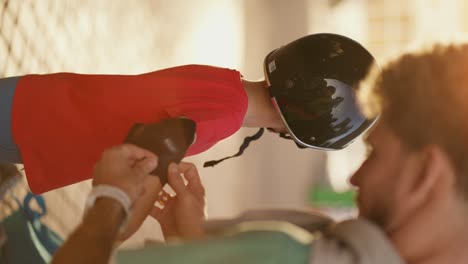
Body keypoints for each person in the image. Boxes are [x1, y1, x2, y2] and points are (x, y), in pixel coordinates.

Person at [54, 42, 468, 264]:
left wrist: (108, 205)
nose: (356, 179)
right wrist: (192, 240)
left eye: (375, 154)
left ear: (425, 174)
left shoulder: (286, 255)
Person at [0, 33, 377, 194]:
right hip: (38, 128)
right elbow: (161, 141)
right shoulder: (227, 116)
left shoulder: (226, 83)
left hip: (44, 101)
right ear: (302, 130)